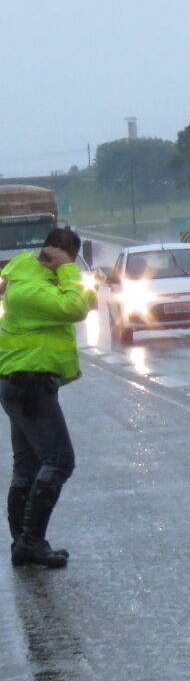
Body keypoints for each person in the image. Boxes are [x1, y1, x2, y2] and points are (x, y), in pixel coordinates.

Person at [0, 228, 95, 568]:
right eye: (66, 263)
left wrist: (66, 272)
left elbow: (88, 299)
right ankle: (30, 540)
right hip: (30, 383)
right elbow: (76, 307)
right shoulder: (29, 290)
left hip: (25, 382)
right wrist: (69, 270)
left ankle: (23, 543)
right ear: (56, 259)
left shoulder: (28, 273)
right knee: (59, 460)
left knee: (28, 464)